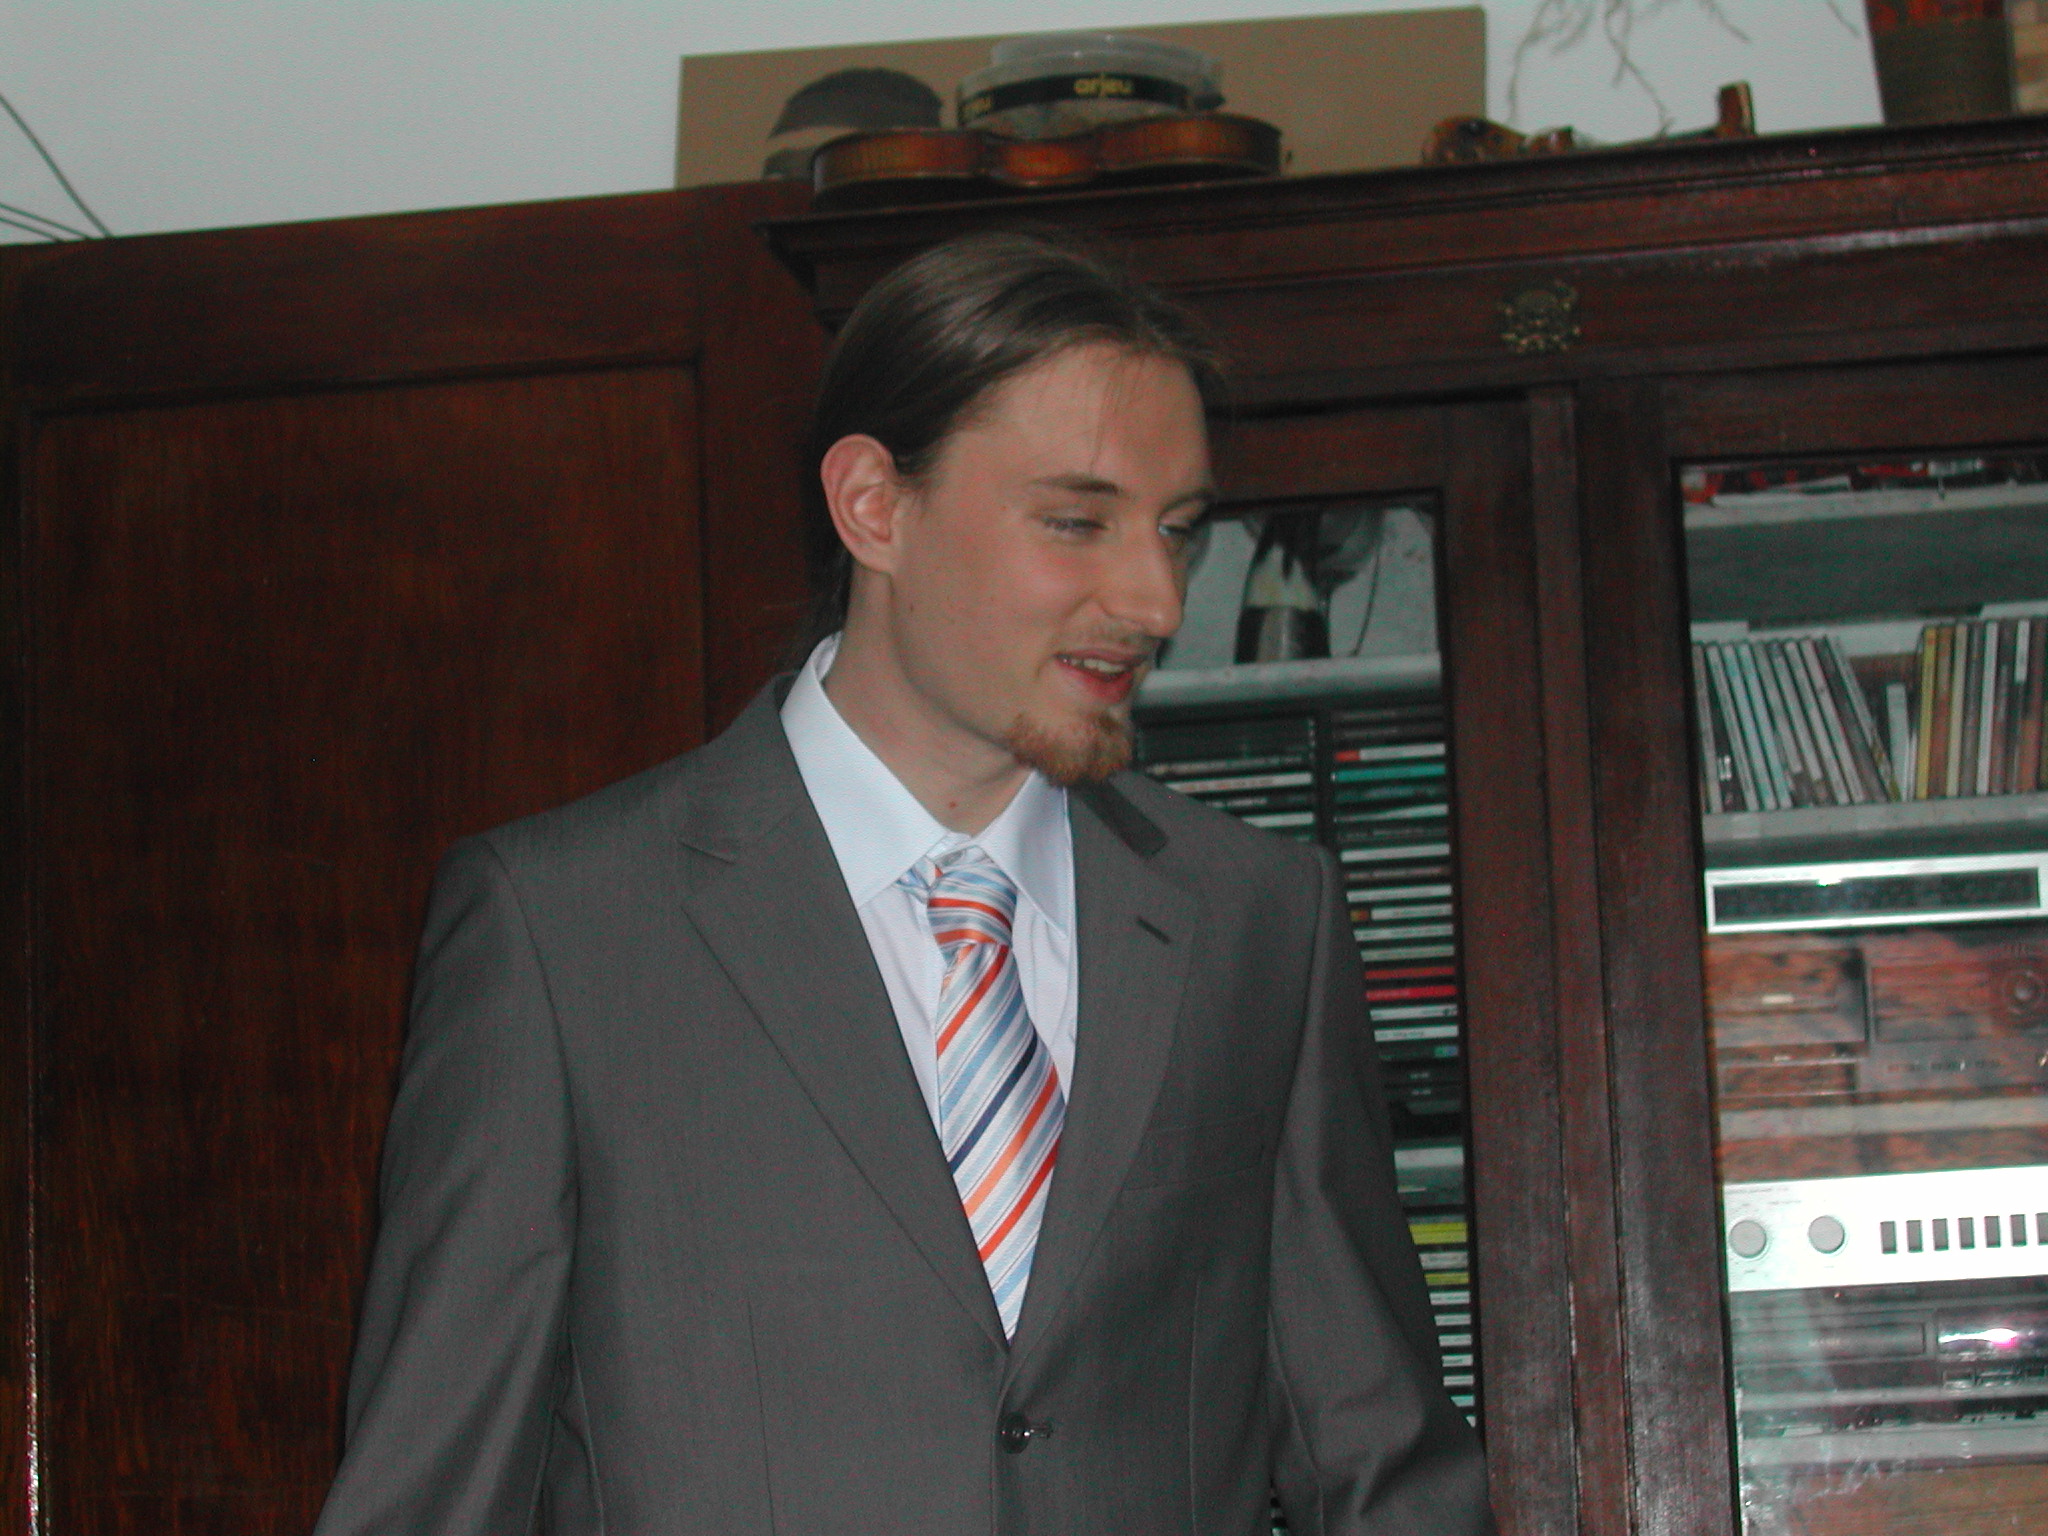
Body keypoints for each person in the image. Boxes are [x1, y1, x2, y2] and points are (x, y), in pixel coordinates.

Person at [314, 230, 1493, 1535]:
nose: (1156, 600)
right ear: (874, 505)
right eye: (1077, 520)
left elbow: (1379, 1464)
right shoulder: (562, 930)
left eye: (1177, 532)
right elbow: (433, 1494)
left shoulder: (1260, 924)